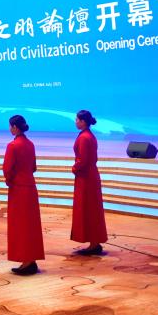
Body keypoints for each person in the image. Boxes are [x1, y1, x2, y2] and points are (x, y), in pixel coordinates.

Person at [3, 114, 44, 275]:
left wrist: (9, 181)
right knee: (30, 225)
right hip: (30, 188)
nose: (9, 129)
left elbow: (7, 169)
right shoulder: (30, 144)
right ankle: (30, 260)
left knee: (20, 225)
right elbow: (33, 167)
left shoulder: (12, 146)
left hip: (18, 189)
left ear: (14, 127)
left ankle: (27, 261)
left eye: (10, 126)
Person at [71, 109, 108, 256]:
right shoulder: (89, 136)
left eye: (77, 120)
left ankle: (94, 243)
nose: (75, 122)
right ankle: (94, 241)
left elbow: (83, 160)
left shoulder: (84, 137)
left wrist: (74, 168)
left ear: (83, 121)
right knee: (92, 208)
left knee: (88, 208)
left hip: (85, 177)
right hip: (90, 175)